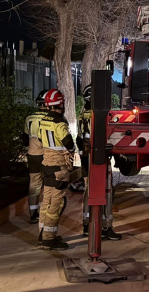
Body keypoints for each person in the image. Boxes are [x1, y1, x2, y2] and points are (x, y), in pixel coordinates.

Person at [76, 84, 122, 240]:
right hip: (97, 158)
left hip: (88, 159)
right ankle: (105, 226)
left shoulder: (84, 114)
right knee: (106, 192)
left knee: (90, 191)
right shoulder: (96, 116)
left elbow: (81, 140)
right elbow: (98, 139)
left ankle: (88, 225)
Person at [37, 89, 77, 250]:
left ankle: (42, 233)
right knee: (57, 204)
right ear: (61, 104)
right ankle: (49, 238)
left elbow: (41, 139)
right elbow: (69, 144)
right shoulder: (59, 124)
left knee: (46, 201)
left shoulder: (43, 121)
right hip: (59, 167)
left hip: (46, 164)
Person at [22, 90, 49, 224]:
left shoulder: (29, 118)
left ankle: (33, 213)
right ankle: (47, 214)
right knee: (50, 185)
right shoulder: (52, 118)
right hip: (48, 156)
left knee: (34, 184)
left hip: (33, 155)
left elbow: (25, 138)